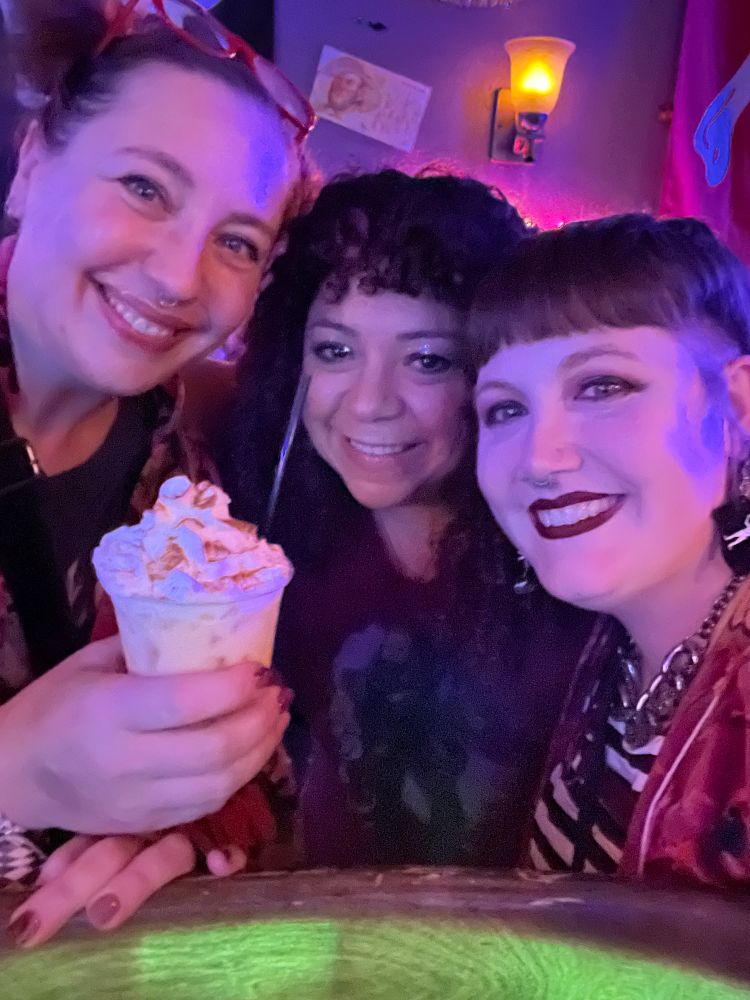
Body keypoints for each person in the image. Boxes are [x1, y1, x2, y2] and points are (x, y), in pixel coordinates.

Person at [0, 0, 315, 923]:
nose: (182, 278)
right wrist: (16, 769)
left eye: (236, 242)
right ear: (31, 164)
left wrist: (189, 819)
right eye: (144, 187)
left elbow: (261, 788)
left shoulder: (188, 489)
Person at [226, 169, 593, 870]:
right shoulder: (265, 531)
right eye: (335, 351)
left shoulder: (572, 555)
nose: (368, 403)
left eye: (427, 360)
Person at [471, 213, 750, 886]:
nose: (540, 458)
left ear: (739, 409)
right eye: (505, 409)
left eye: (602, 386)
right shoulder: (609, 648)